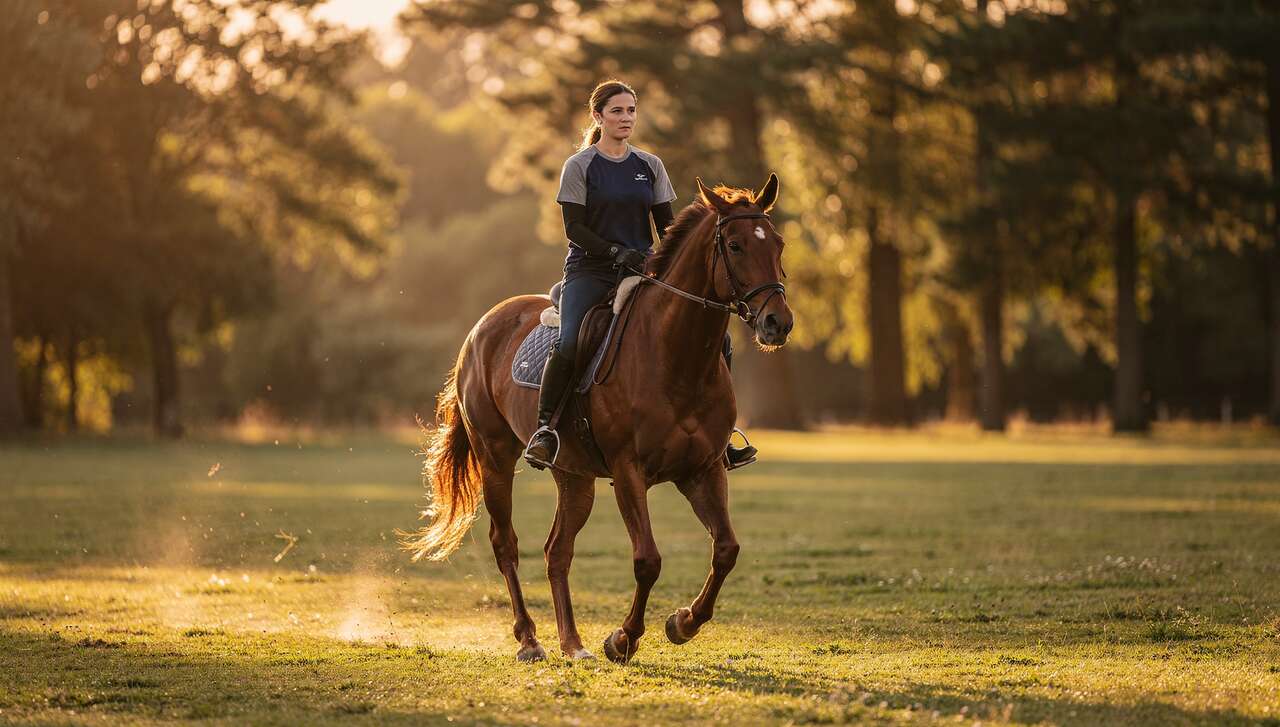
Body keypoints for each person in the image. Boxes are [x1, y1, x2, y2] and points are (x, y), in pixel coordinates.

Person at [522, 79, 757, 471]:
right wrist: (615, 251)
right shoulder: (579, 166)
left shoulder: (650, 165)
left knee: (721, 340)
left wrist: (668, 261)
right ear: (598, 116)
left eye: (631, 110)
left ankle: (719, 433)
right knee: (569, 342)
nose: (626, 118)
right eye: (617, 111)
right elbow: (574, 229)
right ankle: (546, 430)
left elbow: (668, 227)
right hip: (590, 271)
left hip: (644, 269)